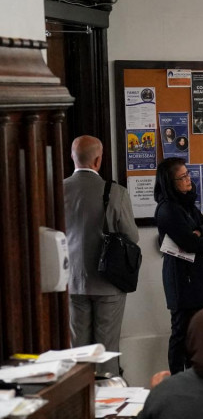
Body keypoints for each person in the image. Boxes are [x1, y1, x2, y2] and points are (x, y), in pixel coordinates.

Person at [64, 136, 140, 374]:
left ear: (72, 157)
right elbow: (132, 236)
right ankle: (107, 393)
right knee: (105, 349)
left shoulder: (56, 189)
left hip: (72, 280)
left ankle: (79, 394)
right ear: (98, 160)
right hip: (109, 281)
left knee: (77, 350)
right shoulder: (115, 192)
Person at [155, 157, 203, 373]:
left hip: (195, 275)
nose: (188, 179)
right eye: (182, 177)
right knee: (181, 331)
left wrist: (200, 233)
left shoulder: (187, 204)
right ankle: (177, 378)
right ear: (170, 183)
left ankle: (193, 376)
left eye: (187, 174)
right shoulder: (168, 209)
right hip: (181, 277)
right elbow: (189, 243)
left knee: (196, 331)